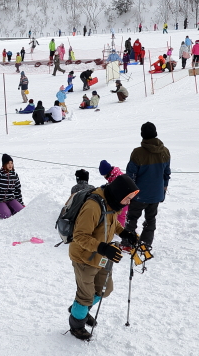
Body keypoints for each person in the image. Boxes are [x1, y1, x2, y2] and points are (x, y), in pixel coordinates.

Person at [67, 174, 139, 341]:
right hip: (84, 257)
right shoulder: (93, 206)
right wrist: (103, 247)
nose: (129, 202)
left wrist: (124, 232)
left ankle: (80, 309)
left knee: (105, 290)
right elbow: (79, 235)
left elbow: (111, 222)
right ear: (120, 194)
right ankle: (76, 324)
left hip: (101, 255)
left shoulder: (111, 201)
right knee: (86, 295)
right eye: (128, 198)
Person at [123, 122, 171, 249]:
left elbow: (130, 175)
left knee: (132, 218)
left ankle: (128, 243)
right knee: (151, 219)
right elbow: (166, 174)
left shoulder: (138, 153)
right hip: (156, 194)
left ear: (142, 135)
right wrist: (163, 189)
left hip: (139, 195)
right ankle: (146, 244)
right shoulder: (165, 151)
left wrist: (129, 194)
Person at [0, 154, 24, 218]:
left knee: (22, 212)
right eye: (8, 163)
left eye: (11, 163)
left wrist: (21, 203)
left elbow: (17, 191)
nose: (10, 165)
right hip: (0, 201)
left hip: (11, 199)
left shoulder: (14, 175)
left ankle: (9, 209)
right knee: (6, 215)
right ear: (4, 164)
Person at [98, 161, 129, 226]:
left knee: (121, 214)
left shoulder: (116, 177)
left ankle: (120, 229)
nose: (104, 177)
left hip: (124, 197)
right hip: (124, 196)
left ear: (106, 172)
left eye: (104, 175)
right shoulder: (114, 174)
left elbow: (117, 188)